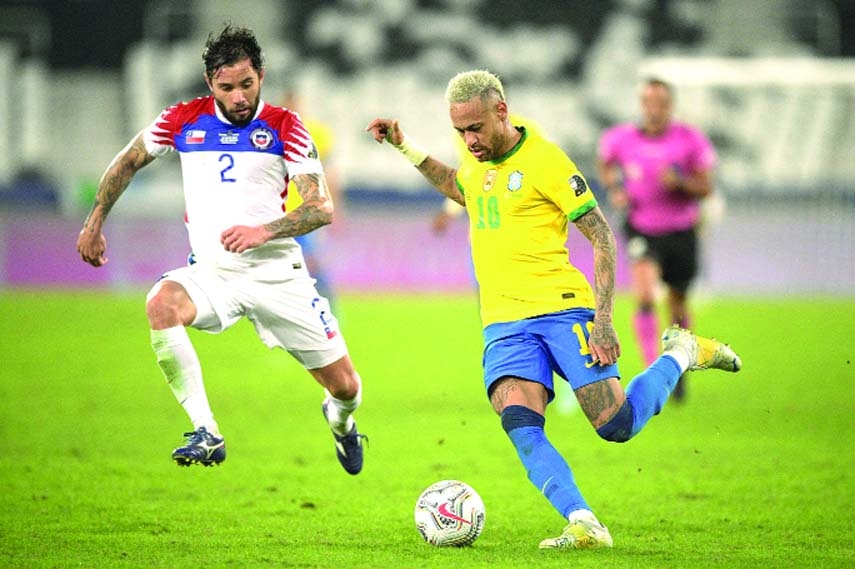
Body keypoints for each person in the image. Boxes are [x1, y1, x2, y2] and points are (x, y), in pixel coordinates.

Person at [366, 70, 741, 549]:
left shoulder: (545, 160)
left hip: (562, 310)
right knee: (521, 426)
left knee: (616, 425)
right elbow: (463, 188)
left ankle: (683, 351)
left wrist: (602, 319)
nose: (469, 140)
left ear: (501, 111)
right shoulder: (476, 163)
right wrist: (405, 146)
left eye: (475, 128)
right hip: (503, 323)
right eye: (460, 131)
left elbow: (601, 234)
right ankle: (584, 522)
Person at [76, 25, 366, 474]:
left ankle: (341, 422)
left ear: (261, 76)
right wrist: (95, 221)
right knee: (161, 304)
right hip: (214, 273)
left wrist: (262, 232)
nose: (238, 97)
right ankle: (206, 431)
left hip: (277, 276)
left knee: (346, 386)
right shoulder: (182, 118)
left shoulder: (285, 126)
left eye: (246, 85)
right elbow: (129, 158)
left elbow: (320, 208)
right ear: (210, 83)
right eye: (226, 87)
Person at [597, 78, 717, 401]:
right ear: (642, 105)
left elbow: (706, 187)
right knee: (646, 293)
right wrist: (615, 188)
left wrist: (680, 182)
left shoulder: (689, 140)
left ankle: (678, 368)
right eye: (649, 103)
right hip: (642, 228)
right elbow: (606, 165)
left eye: (661, 104)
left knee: (677, 302)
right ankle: (653, 370)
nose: (654, 110)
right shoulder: (622, 139)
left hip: (680, 231)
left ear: (670, 106)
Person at [281, 90, 342, 311]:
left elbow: (331, 173)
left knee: (311, 261)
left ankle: (328, 307)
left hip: (308, 211)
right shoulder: (273, 134)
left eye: (295, 103)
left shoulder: (316, 133)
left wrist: (335, 208)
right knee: (283, 266)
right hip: (278, 213)